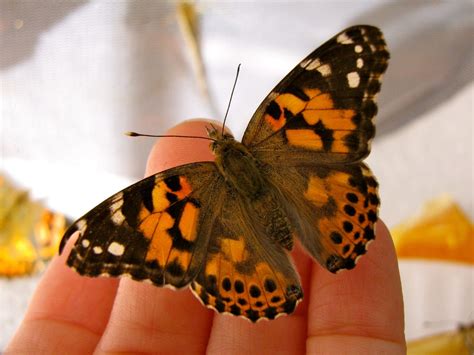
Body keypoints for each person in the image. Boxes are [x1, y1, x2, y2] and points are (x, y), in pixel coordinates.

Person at [6, 120, 406, 354]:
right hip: (310, 191)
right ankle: (336, 235)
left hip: (237, 246)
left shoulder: (180, 190)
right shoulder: (278, 123)